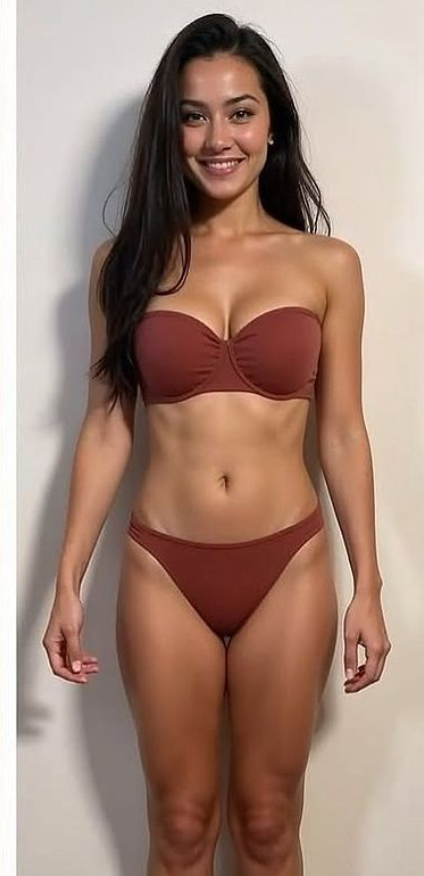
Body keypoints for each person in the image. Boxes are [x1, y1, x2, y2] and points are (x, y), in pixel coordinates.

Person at [42, 12, 392, 876]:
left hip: (289, 566)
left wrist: (370, 584)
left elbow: (343, 430)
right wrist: (65, 581)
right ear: (171, 131)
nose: (217, 138)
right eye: (193, 116)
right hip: (164, 568)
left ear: (272, 125)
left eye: (240, 112)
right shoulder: (125, 264)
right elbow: (106, 422)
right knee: (181, 827)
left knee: (268, 825)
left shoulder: (327, 265)